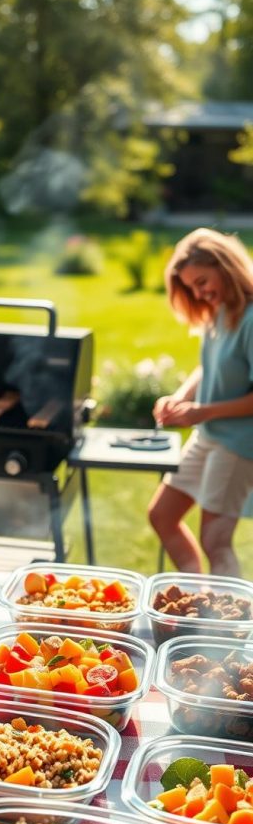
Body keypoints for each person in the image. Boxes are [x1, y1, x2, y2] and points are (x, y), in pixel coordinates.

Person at [148, 227, 253, 577]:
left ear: (226, 266)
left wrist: (200, 412)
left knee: (216, 541)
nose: (199, 292)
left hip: (238, 444)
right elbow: (209, 367)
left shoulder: (252, 318)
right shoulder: (220, 309)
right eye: (192, 286)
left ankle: (231, 627)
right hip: (208, 434)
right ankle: (199, 600)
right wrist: (179, 399)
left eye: (202, 281)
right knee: (162, 515)